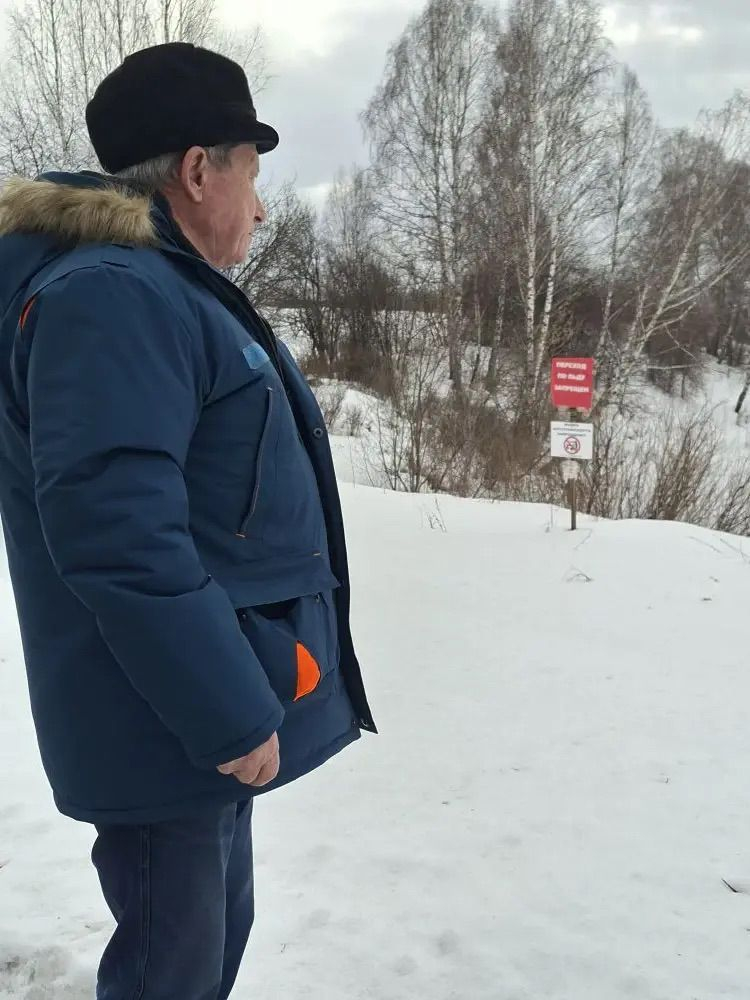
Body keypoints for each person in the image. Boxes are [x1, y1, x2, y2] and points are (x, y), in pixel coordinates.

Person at [0, 42, 375, 1000]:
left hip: (186, 708)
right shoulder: (114, 296)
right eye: (252, 173)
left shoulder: (151, 287)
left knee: (199, 958)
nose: (261, 206)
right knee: (172, 975)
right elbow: (118, 535)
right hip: (163, 721)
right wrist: (227, 711)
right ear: (199, 170)